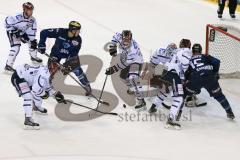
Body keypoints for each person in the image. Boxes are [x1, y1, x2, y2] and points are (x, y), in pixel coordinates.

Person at [37, 21, 92, 96]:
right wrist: (41, 45)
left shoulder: (78, 40)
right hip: (56, 54)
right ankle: (47, 87)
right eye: (78, 30)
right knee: (50, 71)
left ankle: (86, 85)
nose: (79, 32)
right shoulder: (60, 32)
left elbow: (74, 54)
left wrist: (66, 65)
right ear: (72, 30)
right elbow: (44, 32)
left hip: (70, 56)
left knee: (77, 70)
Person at [148, 39, 192, 129]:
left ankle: (153, 107)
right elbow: (184, 64)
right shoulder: (187, 51)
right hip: (174, 75)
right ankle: (170, 119)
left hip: (164, 72)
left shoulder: (175, 51)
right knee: (179, 98)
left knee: (165, 91)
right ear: (189, 46)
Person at [184, 43, 235, 119]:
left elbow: (186, 72)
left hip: (196, 78)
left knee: (184, 92)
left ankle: (178, 107)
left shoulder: (189, 59)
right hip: (210, 77)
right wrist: (215, 73)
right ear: (200, 50)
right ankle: (229, 112)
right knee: (219, 95)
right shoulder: (205, 56)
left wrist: (187, 80)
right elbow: (217, 61)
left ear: (192, 51)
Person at [11, 64, 66, 130]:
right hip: (18, 78)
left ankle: (36, 107)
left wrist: (56, 95)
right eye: (58, 72)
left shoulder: (48, 73)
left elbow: (47, 87)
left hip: (26, 78)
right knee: (28, 96)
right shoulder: (43, 76)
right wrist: (45, 94)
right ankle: (28, 120)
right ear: (53, 71)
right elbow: (36, 90)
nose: (59, 74)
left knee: (40, 91)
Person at [105, 30, 146, 110]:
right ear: (122, 37)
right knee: (122, 77)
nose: (126, 41)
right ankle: (133, 88)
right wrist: (113, 48)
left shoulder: (133, 49)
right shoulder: (119, 36)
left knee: (133, 79)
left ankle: (141, 100)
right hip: (126, 60)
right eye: (125, 39)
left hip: (136, 61)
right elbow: (114, 39)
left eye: (128, 40)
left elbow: (125, 63)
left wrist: (113, 69)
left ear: (131, 38)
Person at [4, 2, 42, 72]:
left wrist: (32, 40)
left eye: (31, 10)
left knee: (33, 43)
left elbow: (31, 31)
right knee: (16, 47)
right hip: (12, 31)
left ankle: (33, 57)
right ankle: (8, 65)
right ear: (24, 10)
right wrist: (14, 31)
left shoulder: (32, 20)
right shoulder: (16, 17)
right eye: (29, 10)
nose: (31, 12)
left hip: (23, 31)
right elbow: (6, 23)